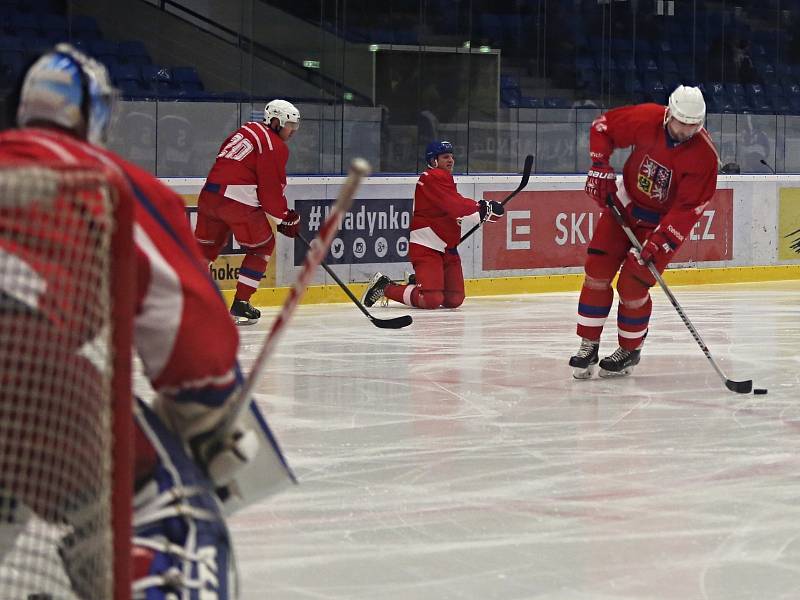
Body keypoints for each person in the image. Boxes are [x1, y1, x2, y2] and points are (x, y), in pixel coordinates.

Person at [0, 44, 249, 598]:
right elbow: (194, 341)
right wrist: (211, 420)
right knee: (171, 509)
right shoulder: (103, 179)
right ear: (97, 115)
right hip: (26, 376)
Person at [569, 85, 719, 379]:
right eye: (681, 123)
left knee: (633, 286)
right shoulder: (647, 117)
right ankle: (589, 344)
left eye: (693, 126)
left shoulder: (704, 156)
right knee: (596, 272)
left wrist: (661, 241)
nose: (686, 130)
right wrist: (599, 166)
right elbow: (602, 128)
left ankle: (629, 349)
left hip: (661, 223)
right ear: (669, 115)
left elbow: (690, 207)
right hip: (624, 204)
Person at [194, 98, 302, 324]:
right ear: (275, 121)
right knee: (263, 245)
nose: (292, 130)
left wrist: (279, 217)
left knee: (203, 250)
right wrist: (285, 218)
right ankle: (241, 302)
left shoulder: (245, 130)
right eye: (289, 124)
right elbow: (270, 189)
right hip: (236, 200)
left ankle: (189, 301)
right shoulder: (274, 144)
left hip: (209, 196)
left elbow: (225, 158)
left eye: (295, 126)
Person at [362, 140, 504, 309]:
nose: (450, 160)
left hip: (447, 249)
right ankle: (385, 287)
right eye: (445, 157)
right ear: (433, 161)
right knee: (431, 300)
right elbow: (454, 205)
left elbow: (453, 207)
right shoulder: (430, 178)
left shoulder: (445, 180)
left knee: (454, 299)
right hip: (426, 247)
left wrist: (483, 212)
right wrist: (482, 209)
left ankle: (417, 282)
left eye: (451, 156)